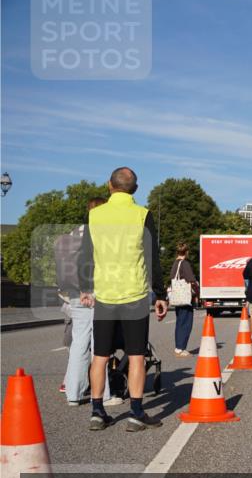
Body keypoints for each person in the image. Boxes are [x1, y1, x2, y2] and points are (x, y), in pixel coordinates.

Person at [79, 167, 167, 432]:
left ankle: (97, 411)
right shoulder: (142, 215)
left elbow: (86, 254)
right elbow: (152, 258)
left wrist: (86, 287)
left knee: (100, 356)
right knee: (137, 355)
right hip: (135, 294)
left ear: (109, 185)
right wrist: (160, 294)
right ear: (135, 189)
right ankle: (136, 413)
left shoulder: (95, 215)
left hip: (105, 294)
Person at [57, 196, 119, 407]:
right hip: (96, 291)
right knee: (99, 345)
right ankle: (103, 394)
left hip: (74, 293)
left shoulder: (75, 232)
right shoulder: (101, 231)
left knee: (79, 343)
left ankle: (73, 394)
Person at [170, 243, 199, 357]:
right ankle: (181, 348)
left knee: (179, 322)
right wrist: (197, 290)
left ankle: (178, 346)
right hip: (185, 298)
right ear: (186, 252)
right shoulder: (185, 263)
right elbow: (191, 279)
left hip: (178, 296)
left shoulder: (175, 264)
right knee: (186, 323)